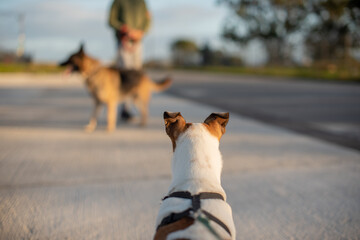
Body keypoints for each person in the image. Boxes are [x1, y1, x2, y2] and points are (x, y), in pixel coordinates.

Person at [108, 0, 151, 121]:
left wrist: (141, 32)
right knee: (125, 75)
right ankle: (125, 109)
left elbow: (147, 19)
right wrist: (124, 29)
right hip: (123, 41)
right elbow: (111, 20)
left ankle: (138, 106)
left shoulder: (142, 2)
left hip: (138, 42)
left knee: (137, 75)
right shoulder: (118, 2)